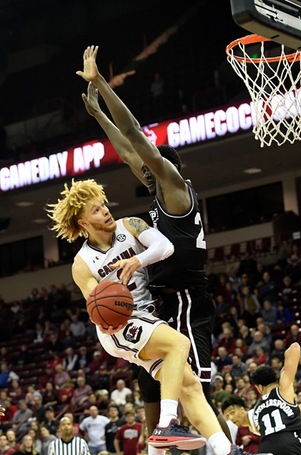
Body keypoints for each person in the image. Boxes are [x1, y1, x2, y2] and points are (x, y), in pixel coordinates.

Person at [76, 45, 230, 441]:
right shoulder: (157, 194)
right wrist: (97, 115)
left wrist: (102, 85)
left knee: (197, 386)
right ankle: (177, 437)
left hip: (188, 298)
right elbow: (126, 149)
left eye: (151, 165)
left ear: (165, 168)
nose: (142, 167)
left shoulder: (176, 189)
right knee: (180, 385)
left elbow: (134, 135)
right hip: (163, 298)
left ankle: (203, 441)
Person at [47, 180, 240, 454]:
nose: (105, 211)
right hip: (118, 326)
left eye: (103, 205)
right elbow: (96, 307)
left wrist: (137, 261)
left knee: (191, 386)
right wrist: (109, 303)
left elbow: (165, 247)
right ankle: (166, 424)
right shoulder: (82, 264)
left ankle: (226, 450)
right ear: (83, 222)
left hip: (144, 319)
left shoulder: (130, 226)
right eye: (96, 210)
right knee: (179, 344)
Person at [250, 343, 301, 454]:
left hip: (265, 450)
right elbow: (295, 347)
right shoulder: (283, 390)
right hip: (289, 446)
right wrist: (283, 367)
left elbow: (259, 431)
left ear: (260, 387)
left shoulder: (256, 408)